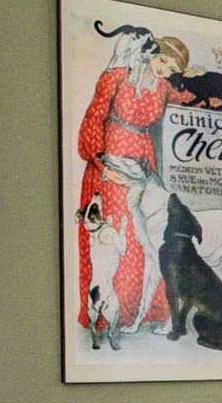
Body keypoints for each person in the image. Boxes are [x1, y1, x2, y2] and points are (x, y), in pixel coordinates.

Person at [74, 25, 197, 347]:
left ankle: (143, 311)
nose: (166, 69)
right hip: (112, 160)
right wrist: (100, 162)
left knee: (146, 233)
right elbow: (94, 116)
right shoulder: (118, 75)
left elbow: (191, 99)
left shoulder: (164, 87)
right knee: (116, 235)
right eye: (164, 61)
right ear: (153, 51)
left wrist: (199, 84)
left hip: (143, 160)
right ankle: (106, 313)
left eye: (173, 68)